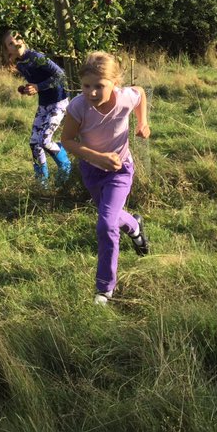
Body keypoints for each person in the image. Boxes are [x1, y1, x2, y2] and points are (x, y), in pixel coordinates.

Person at [60, 52, 150, 305]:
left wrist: (143, 123)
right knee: (108, 215)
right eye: (86, 86)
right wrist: (96, 157)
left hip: (121, 170)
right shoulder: (78, 107)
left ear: (115, 83)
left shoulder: (124, 98)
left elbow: (140, 93)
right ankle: (135, 227)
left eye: (99, 86)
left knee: (106, 224)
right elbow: (66, 141)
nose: (92, 93)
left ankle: (104, 289)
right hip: (92, 170)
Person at [2, 32, 71, 185]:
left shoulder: (36, 57)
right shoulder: (20, 64)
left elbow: (60, 74)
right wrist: (27, 89)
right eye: (11, 44)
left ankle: (65, 166)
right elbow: (36, 83)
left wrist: (38, 87)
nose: (16, 44)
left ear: (24, 41)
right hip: (44, 104)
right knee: (34, 143)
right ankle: (41, 182)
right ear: (8, 50)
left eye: (18, 39)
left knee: (45, 140)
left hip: (59, 101)